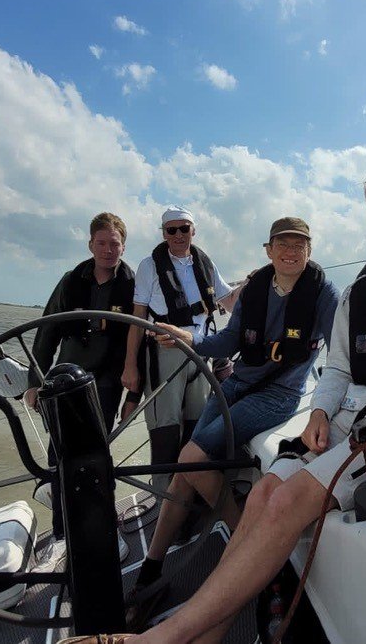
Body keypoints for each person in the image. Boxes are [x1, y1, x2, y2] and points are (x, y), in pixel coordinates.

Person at [120, 159, 366, 644]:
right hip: (345, 419)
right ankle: (206, 634)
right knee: (262, 493)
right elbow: (339, 369)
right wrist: (320, 412)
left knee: (284, 499)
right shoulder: (359, 292)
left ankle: (161, 639)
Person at [127, 217, 339, 615]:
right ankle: (151, 568)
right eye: (283, 244)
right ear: (269, 250)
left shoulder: (324, 292)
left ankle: (247, 543)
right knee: (185, 469)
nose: (291, 251)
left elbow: (341, 352)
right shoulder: (255, 288)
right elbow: (228, 339)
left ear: (309, 251)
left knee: (191, 456)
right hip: (238, 383)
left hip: (278, 395)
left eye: (300, 245)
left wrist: (328, 407)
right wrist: (190, 338)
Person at [24, 211, 140, 538]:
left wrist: (133, 395)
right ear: (90, 245)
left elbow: (140, 346)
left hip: (106, 382)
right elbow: (46, 335)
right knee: (58, 456)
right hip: (64, 381)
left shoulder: (133, 286)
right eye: (101, 243)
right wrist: (34, 383)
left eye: (114, 244)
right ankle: (62, 534)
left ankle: (102, 529)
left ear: (123, 246)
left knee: (95, 455)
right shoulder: (70, 281)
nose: (108, 250)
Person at [122, 206, 233, 492]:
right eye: (171, 230)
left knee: (197, 429)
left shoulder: (206, 263)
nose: (178, 235)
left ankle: (189, 498)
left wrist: (261, 282)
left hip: (201, 353)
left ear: (193, 231)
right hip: (165, 354)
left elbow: (231, 302)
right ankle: (163, 498)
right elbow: (137, 318)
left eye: (184, 228)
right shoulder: (149, 266)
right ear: (164, 234)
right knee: (165, 431)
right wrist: (130, 365)